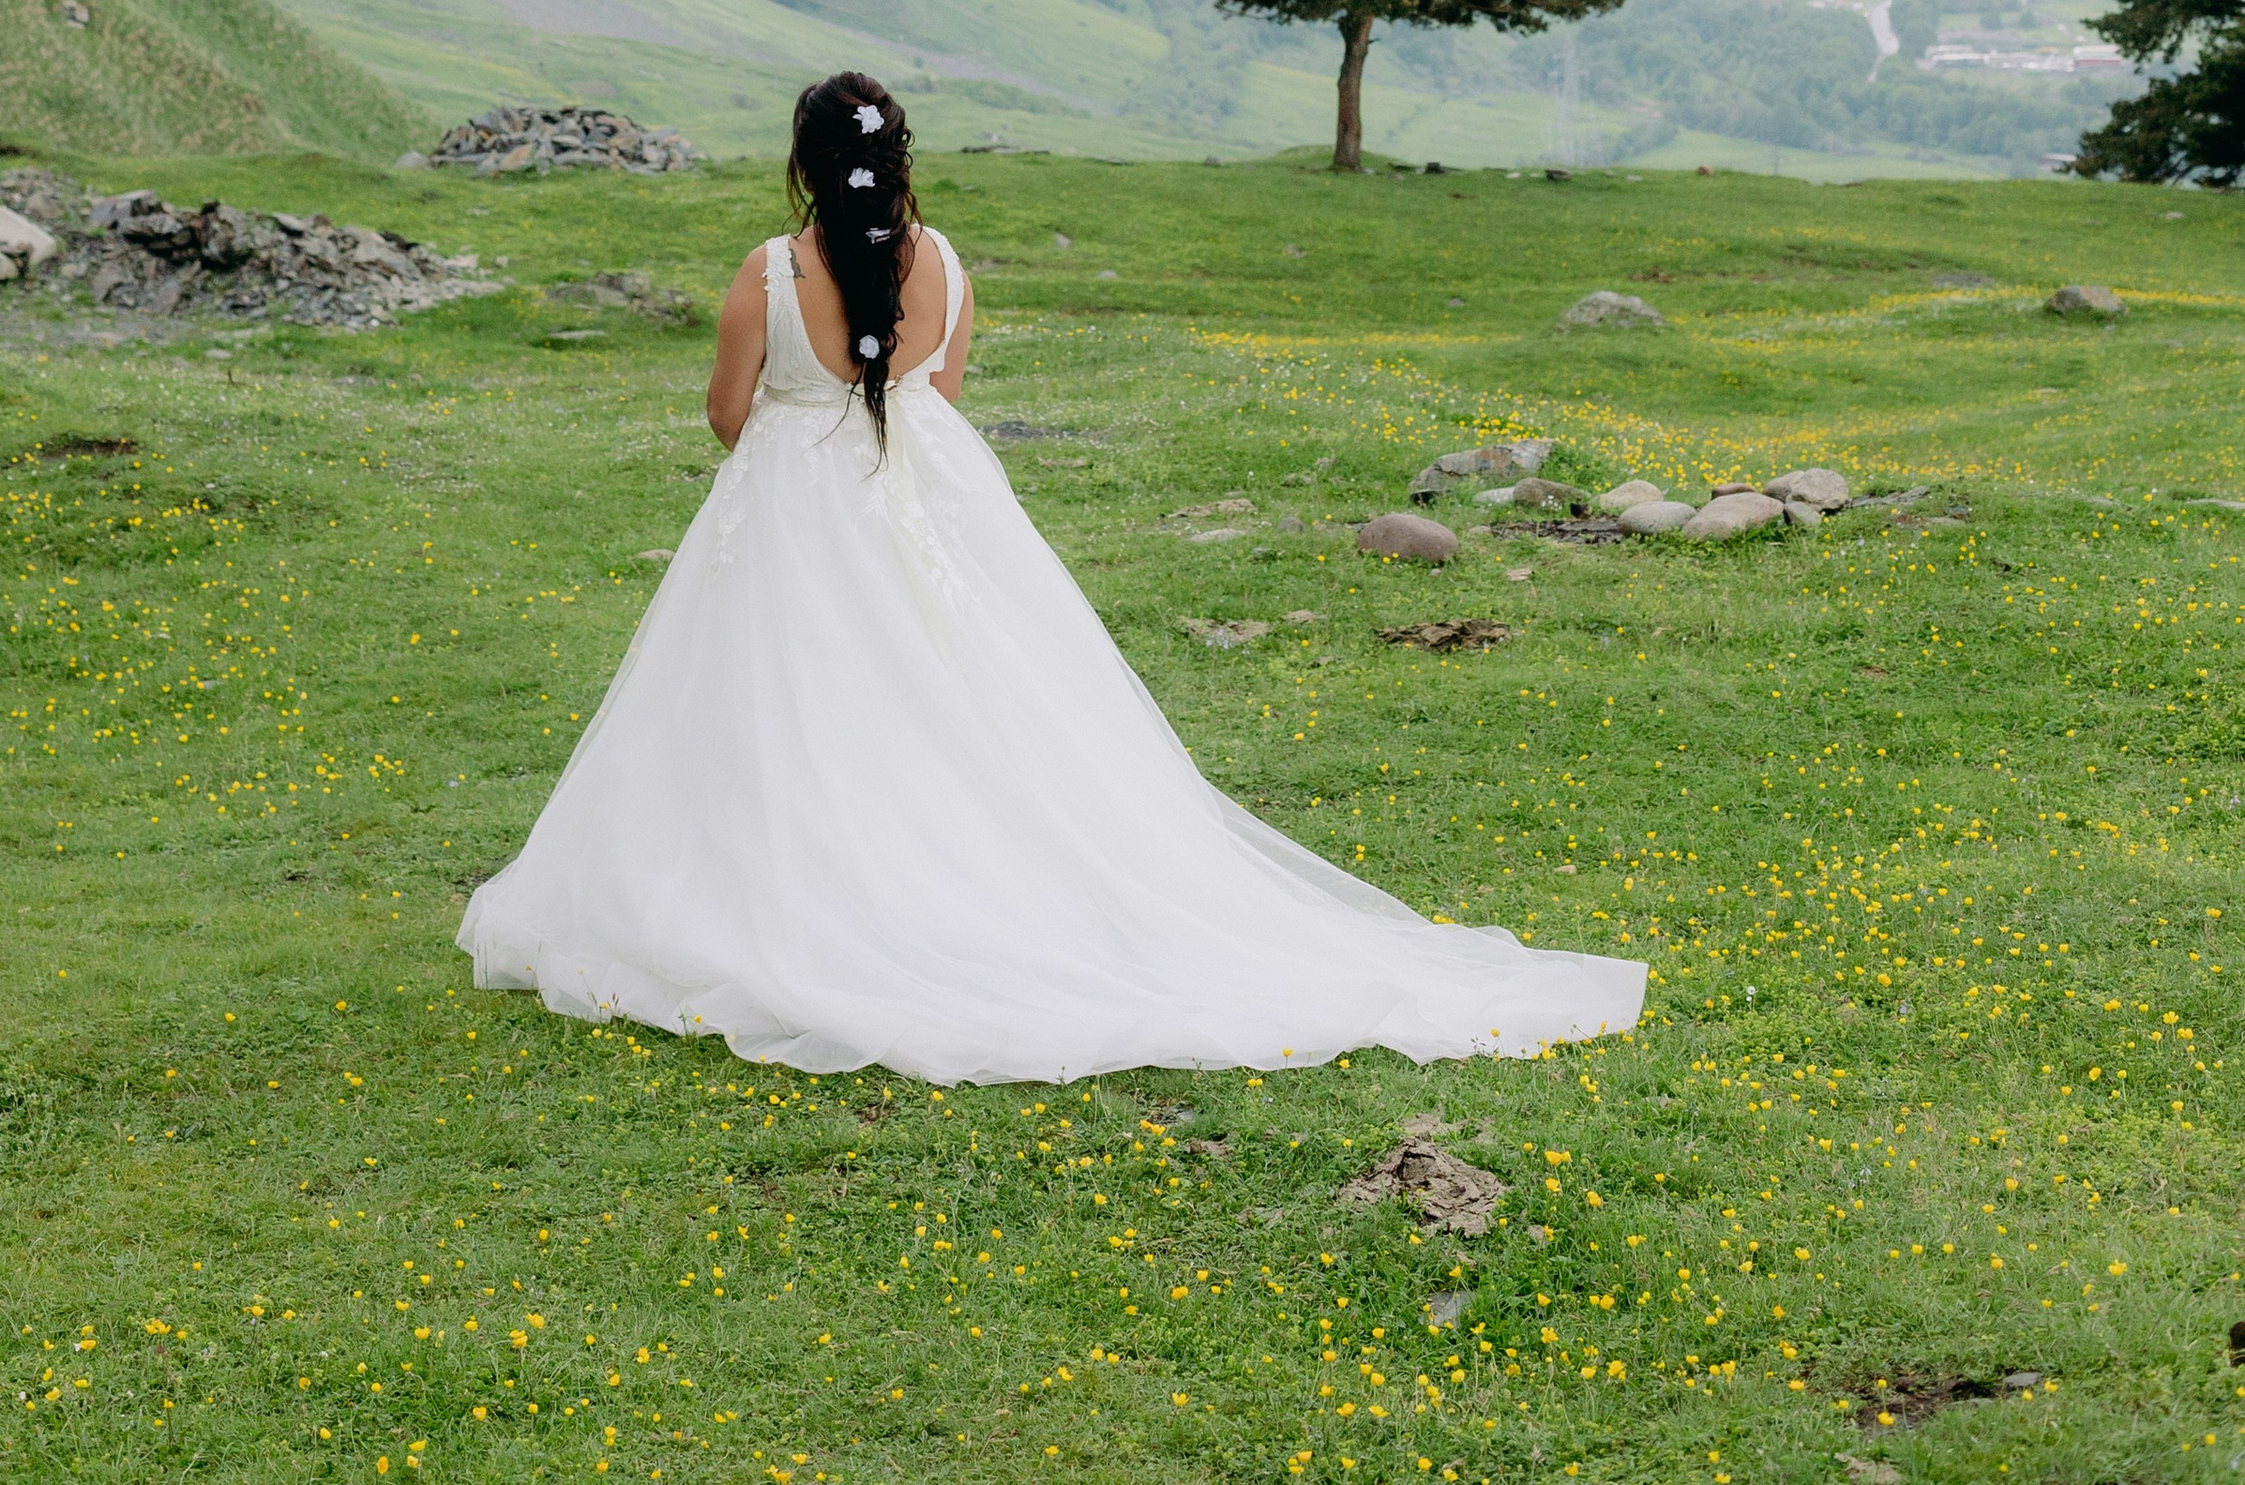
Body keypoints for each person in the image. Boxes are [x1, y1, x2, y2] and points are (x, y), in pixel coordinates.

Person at [456, 70, 1644, 1082]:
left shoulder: (768, 271)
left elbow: (727, 412)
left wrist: (795, 439)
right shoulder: (946, 263)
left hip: (793, 515)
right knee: (963, 699)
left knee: (793, 704)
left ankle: (806, 889)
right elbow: (938, 395)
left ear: (802, 166)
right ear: (899, 158)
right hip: (934, 505)